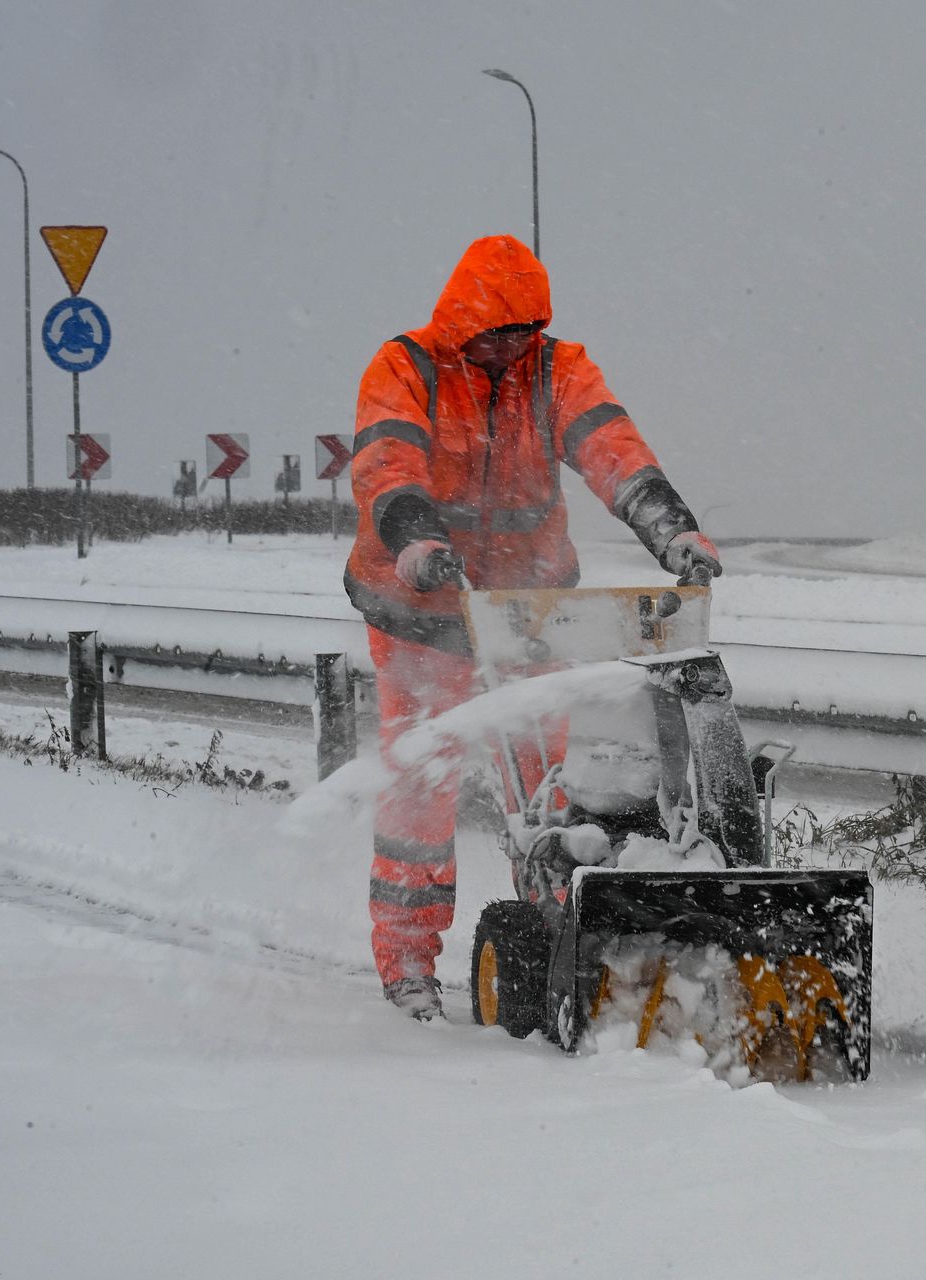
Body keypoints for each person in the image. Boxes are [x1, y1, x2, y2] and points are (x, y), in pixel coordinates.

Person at [346, 234, 722, 1021]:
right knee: (423, 782)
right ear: (464, 323)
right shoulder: (406, 369)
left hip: (528, 612)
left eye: (526, 332)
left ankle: (555, 935)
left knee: (552, 782)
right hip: (422, 614)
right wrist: (415, 540)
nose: (513, 348)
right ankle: (409, 964)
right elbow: (387, 463)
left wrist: (672, 529)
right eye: (500, 333)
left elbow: (612, 448)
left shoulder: (555, 371)